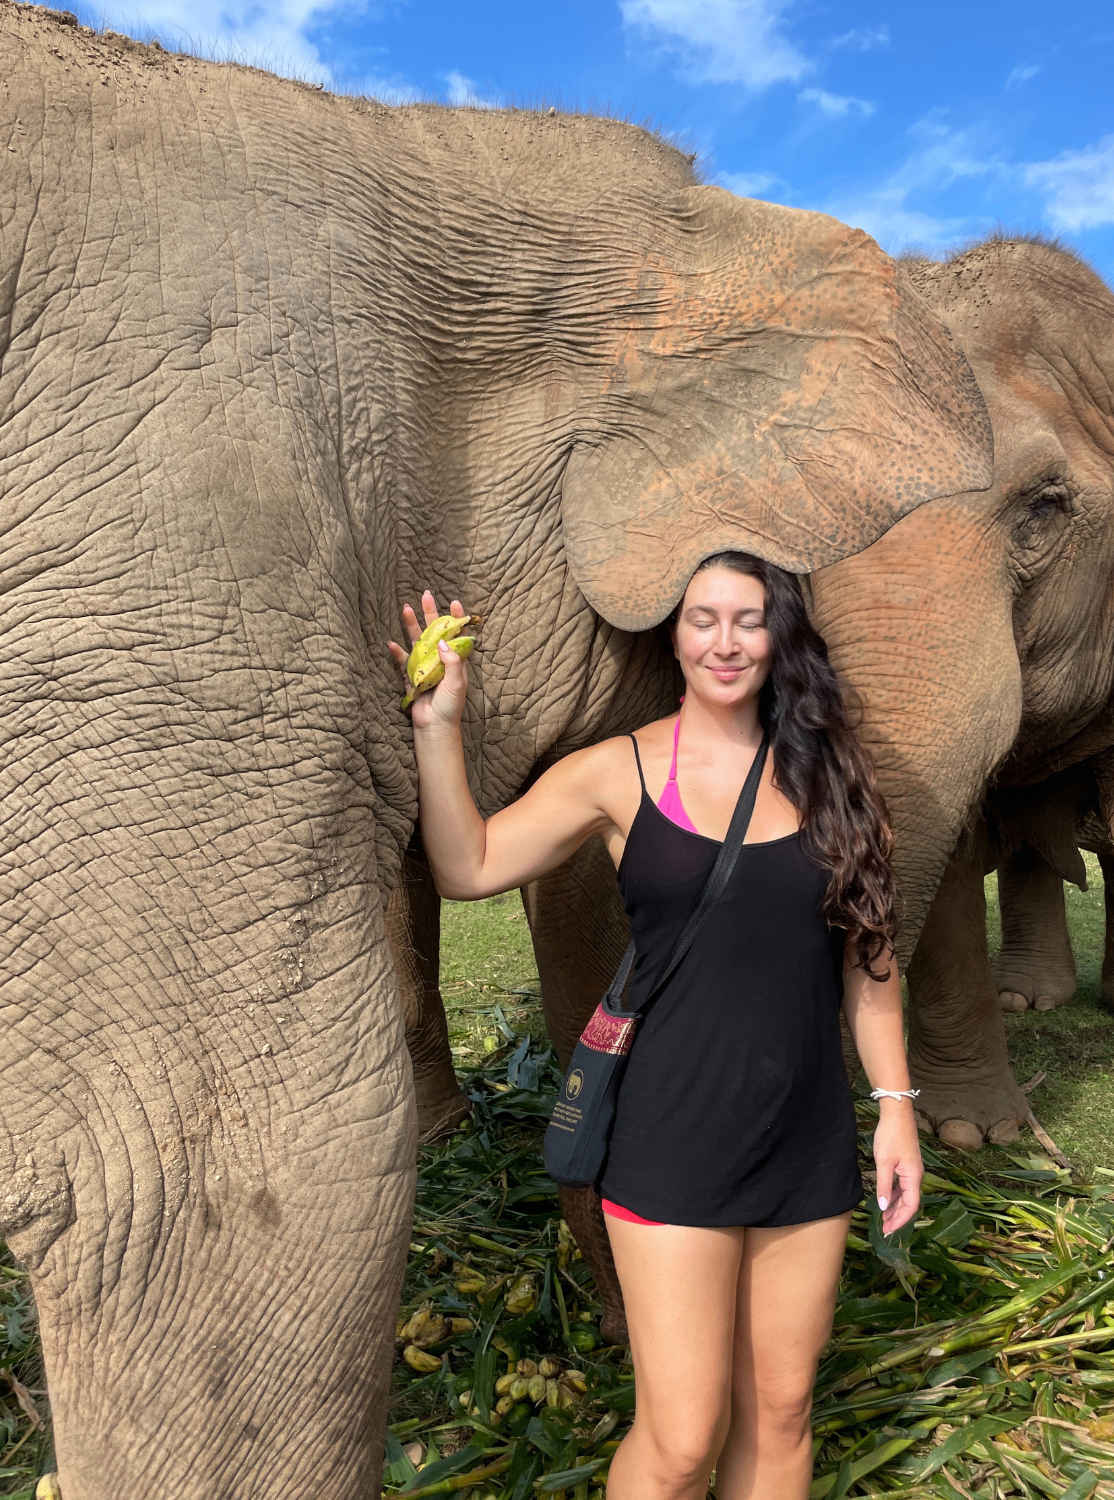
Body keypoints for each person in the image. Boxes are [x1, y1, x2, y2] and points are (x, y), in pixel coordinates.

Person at [388, 552, 923, 1500]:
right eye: (702, 618)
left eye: (748, 620)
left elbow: (867, 961)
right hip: (670, 1136)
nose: (724, 641)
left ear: (779, 634)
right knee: (680, 1440)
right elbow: (467, 866)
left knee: (784, 1409)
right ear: (672, 635)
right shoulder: (618, 772)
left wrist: (895, 1107)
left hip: (804, 1136)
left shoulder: (834, 776)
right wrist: (441, 726)